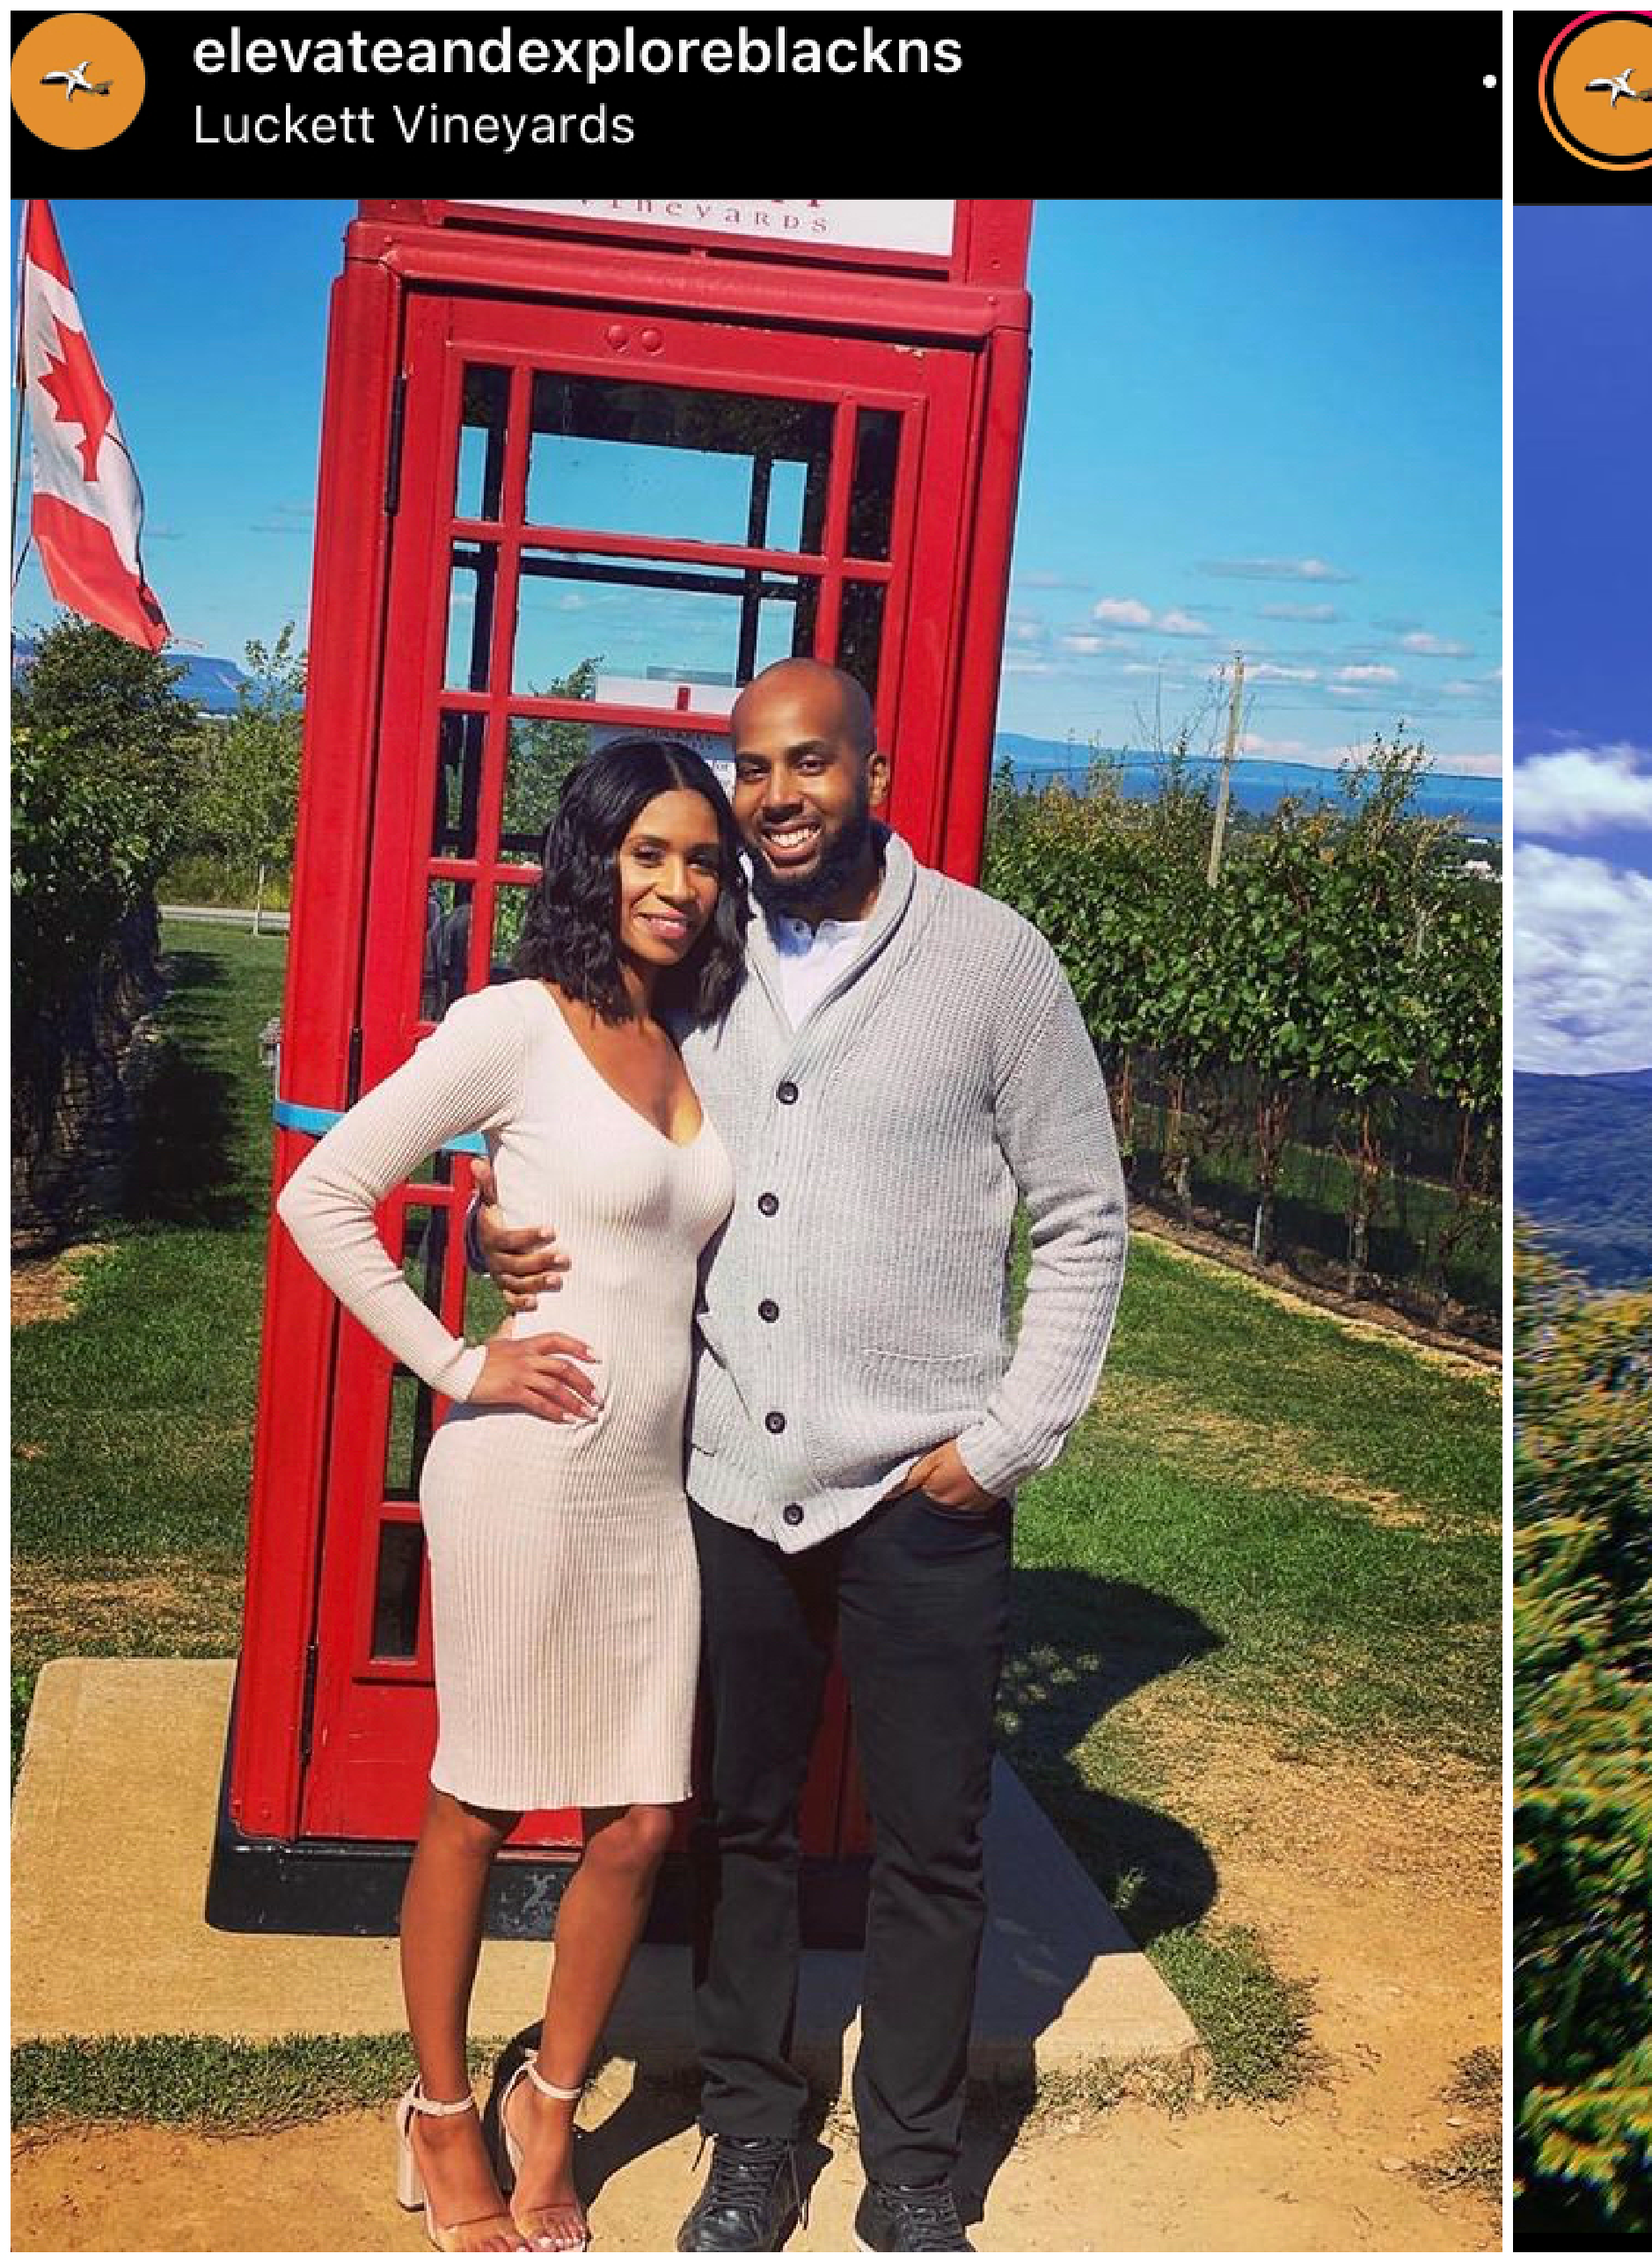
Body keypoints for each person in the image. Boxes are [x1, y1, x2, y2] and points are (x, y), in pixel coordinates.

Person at [477, 657, 1129, 2254]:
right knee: (744, 1830)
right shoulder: (704, 949)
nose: (773, 798)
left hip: (922, 1494)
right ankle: (754, 2139)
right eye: (753, 769)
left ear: (871, 771)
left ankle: (910, 2170)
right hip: (723, 1484)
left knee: (929, 1846)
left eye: (808, 764)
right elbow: (572, 1095)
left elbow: (1088, 1218)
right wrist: (512, 1225)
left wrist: (1004, 1441)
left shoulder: (992, 964)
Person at [278, 737, 751, 2252]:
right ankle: (435, 2108)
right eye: (650, 854)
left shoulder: (699, 1039)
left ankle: (548, 2096)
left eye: (701, 860)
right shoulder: (514, 1024)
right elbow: (321, 1191)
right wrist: (452, 1357)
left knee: (642, 1819)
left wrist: (500, 1222)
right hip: (523, 1472)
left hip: (648, 1490)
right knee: (479, 1797)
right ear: (596, 858)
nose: (677, 886)